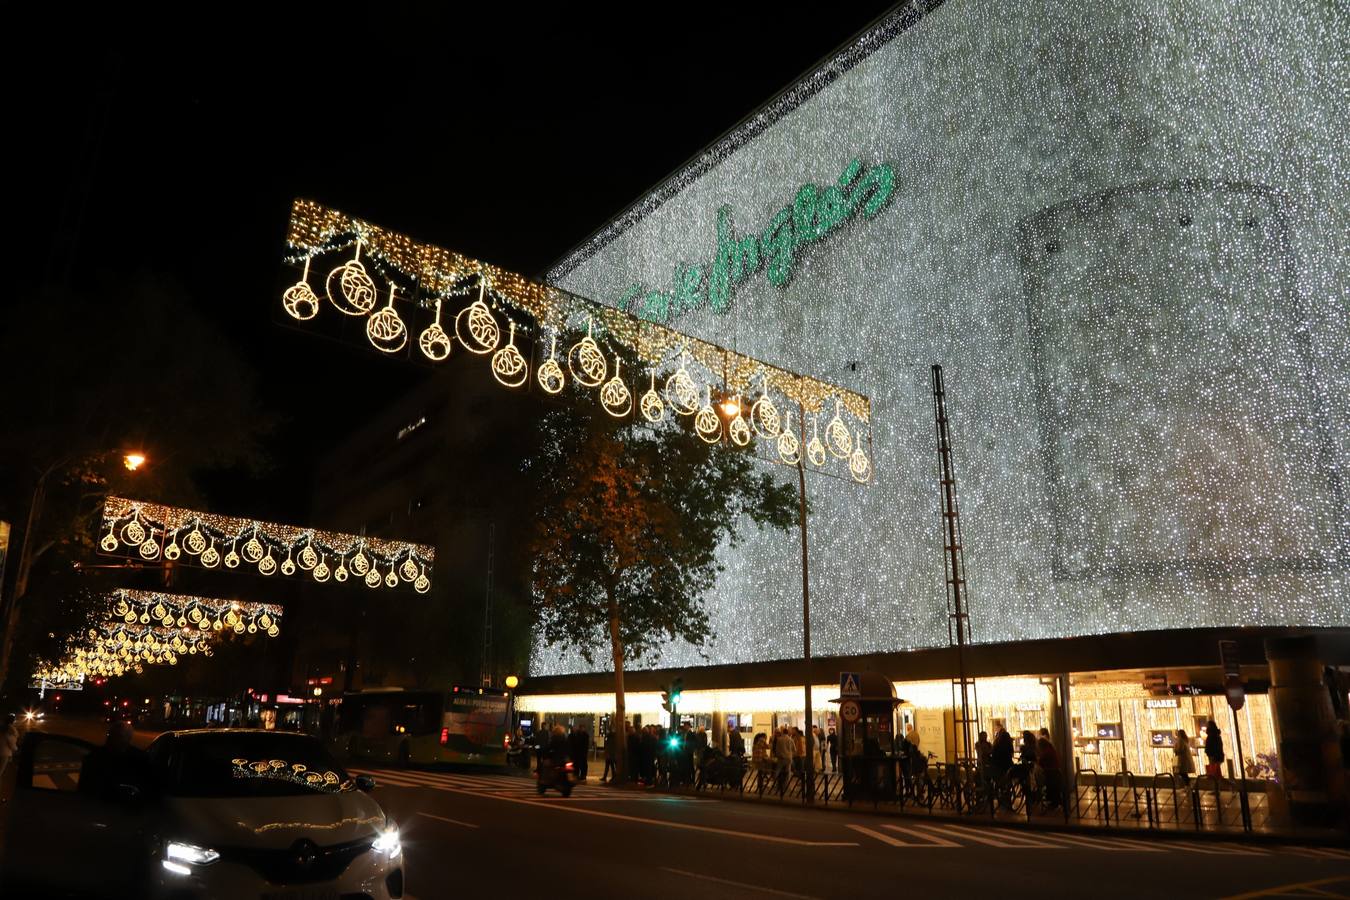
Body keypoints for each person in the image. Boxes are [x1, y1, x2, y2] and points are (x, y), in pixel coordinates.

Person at [79, 721, 148, 800]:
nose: (112, 740)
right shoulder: (139, 757)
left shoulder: (95, 755)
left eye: (119, 737)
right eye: (112, 736)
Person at [1035, 729, 1061, 809]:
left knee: (1051, 787)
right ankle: (1054, 802)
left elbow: (1041, 761)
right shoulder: (1050, 748)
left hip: (1051, 771)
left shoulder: (1046, 751)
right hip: (1054, 771)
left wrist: (1038, 760)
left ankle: (1053, 803)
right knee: (1053, 788)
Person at [773, 727, 795, 793]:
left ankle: (776, 783)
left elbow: (777, 749)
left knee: (778, 770)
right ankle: (786, 785)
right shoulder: (790, 740)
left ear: (782, 732)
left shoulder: (779, 739)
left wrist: (777, 755)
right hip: (788, 758)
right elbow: (794, 749)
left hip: (781, 758)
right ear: (787, 732)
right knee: (788, 772)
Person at [0, 714, 18, 779]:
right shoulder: (10, 729)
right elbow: (11, 743)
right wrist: (16, 749)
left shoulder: (2, 727)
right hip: (4, 753)